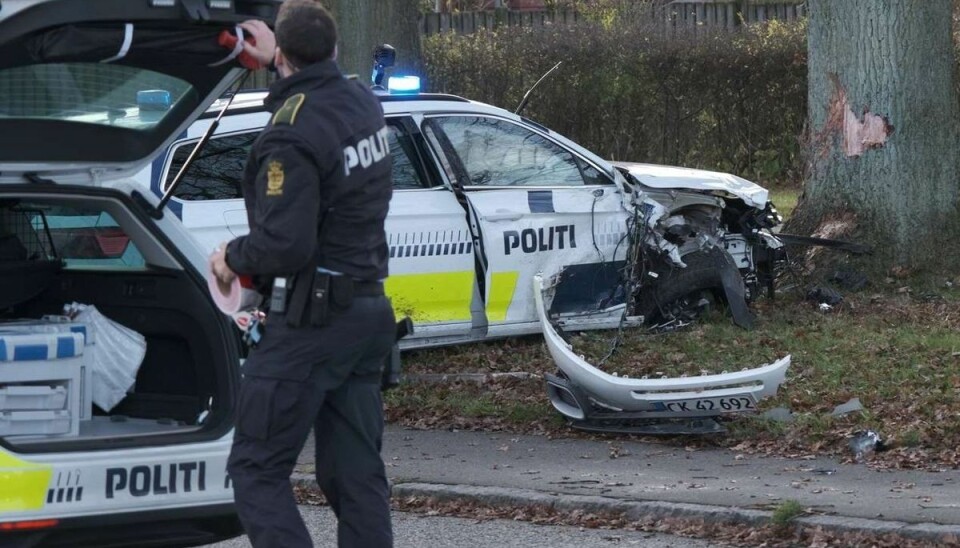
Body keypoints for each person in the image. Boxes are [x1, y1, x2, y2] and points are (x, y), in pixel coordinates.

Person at [208, 2, 395, 546]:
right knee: (356, 476)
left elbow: (284, 245)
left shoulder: (289, 135)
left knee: (257, 469)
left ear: (284, 55)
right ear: (334, 50)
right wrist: (278, 61)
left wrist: (230, 258)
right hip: (366, 318)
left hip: (311, 326)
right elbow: (314, 82)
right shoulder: (362, 102)